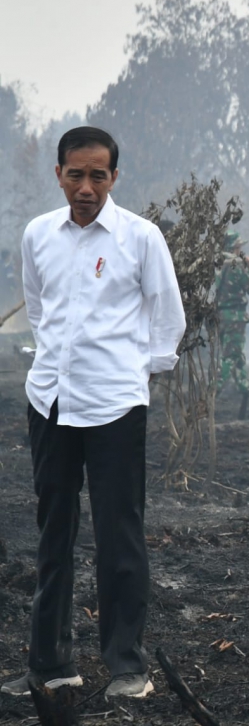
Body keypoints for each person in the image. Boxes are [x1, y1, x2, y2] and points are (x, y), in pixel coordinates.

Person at [1, 127, 185, 700]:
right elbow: (38, 304)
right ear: (58, 174)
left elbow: (168, 318)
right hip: (49, 400)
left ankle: (127, 667)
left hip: (114, 407)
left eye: (97, 175)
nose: (86, 187)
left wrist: (133, 373)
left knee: (118, 533)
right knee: (54, 531)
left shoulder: (141, 238)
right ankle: (50, 664)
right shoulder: (37, 236)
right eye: (75, 174)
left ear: (114, 177)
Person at [215, 230, 249, 399]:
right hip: (235, 317)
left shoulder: (219, 263)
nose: (241, 250)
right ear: (233, 247)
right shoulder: (235, 263)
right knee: (231, 356)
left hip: (220, 316)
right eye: (239, 247)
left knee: (236, 355)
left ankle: (246, 391)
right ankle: (214, 390)